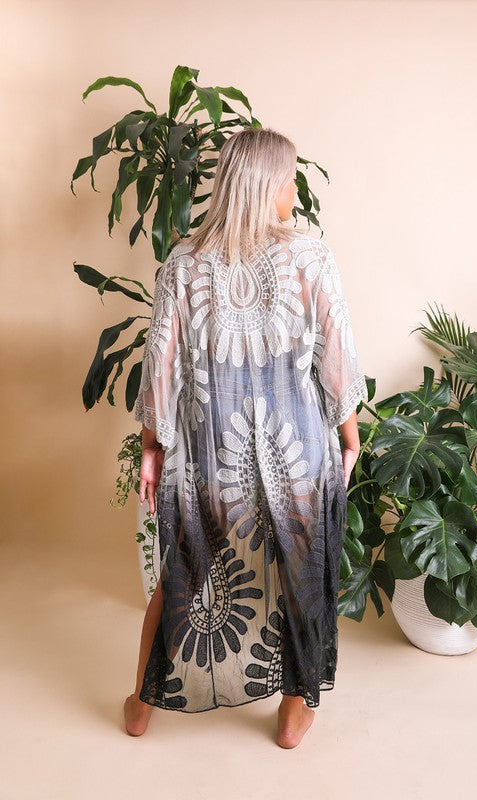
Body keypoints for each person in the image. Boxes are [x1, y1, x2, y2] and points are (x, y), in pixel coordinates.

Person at [123, 127, 368, 748]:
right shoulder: (311, 257)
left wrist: (151, 448)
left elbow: (161, 368)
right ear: (267, 185)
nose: (294, 191)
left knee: (181, 575)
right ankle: (292, 711)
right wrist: (350, 436)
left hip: (213, 456)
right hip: (298, 454)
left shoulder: (183, 263)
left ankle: (141, 703)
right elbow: (337, 361)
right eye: (289, 179)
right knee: (303, 577)